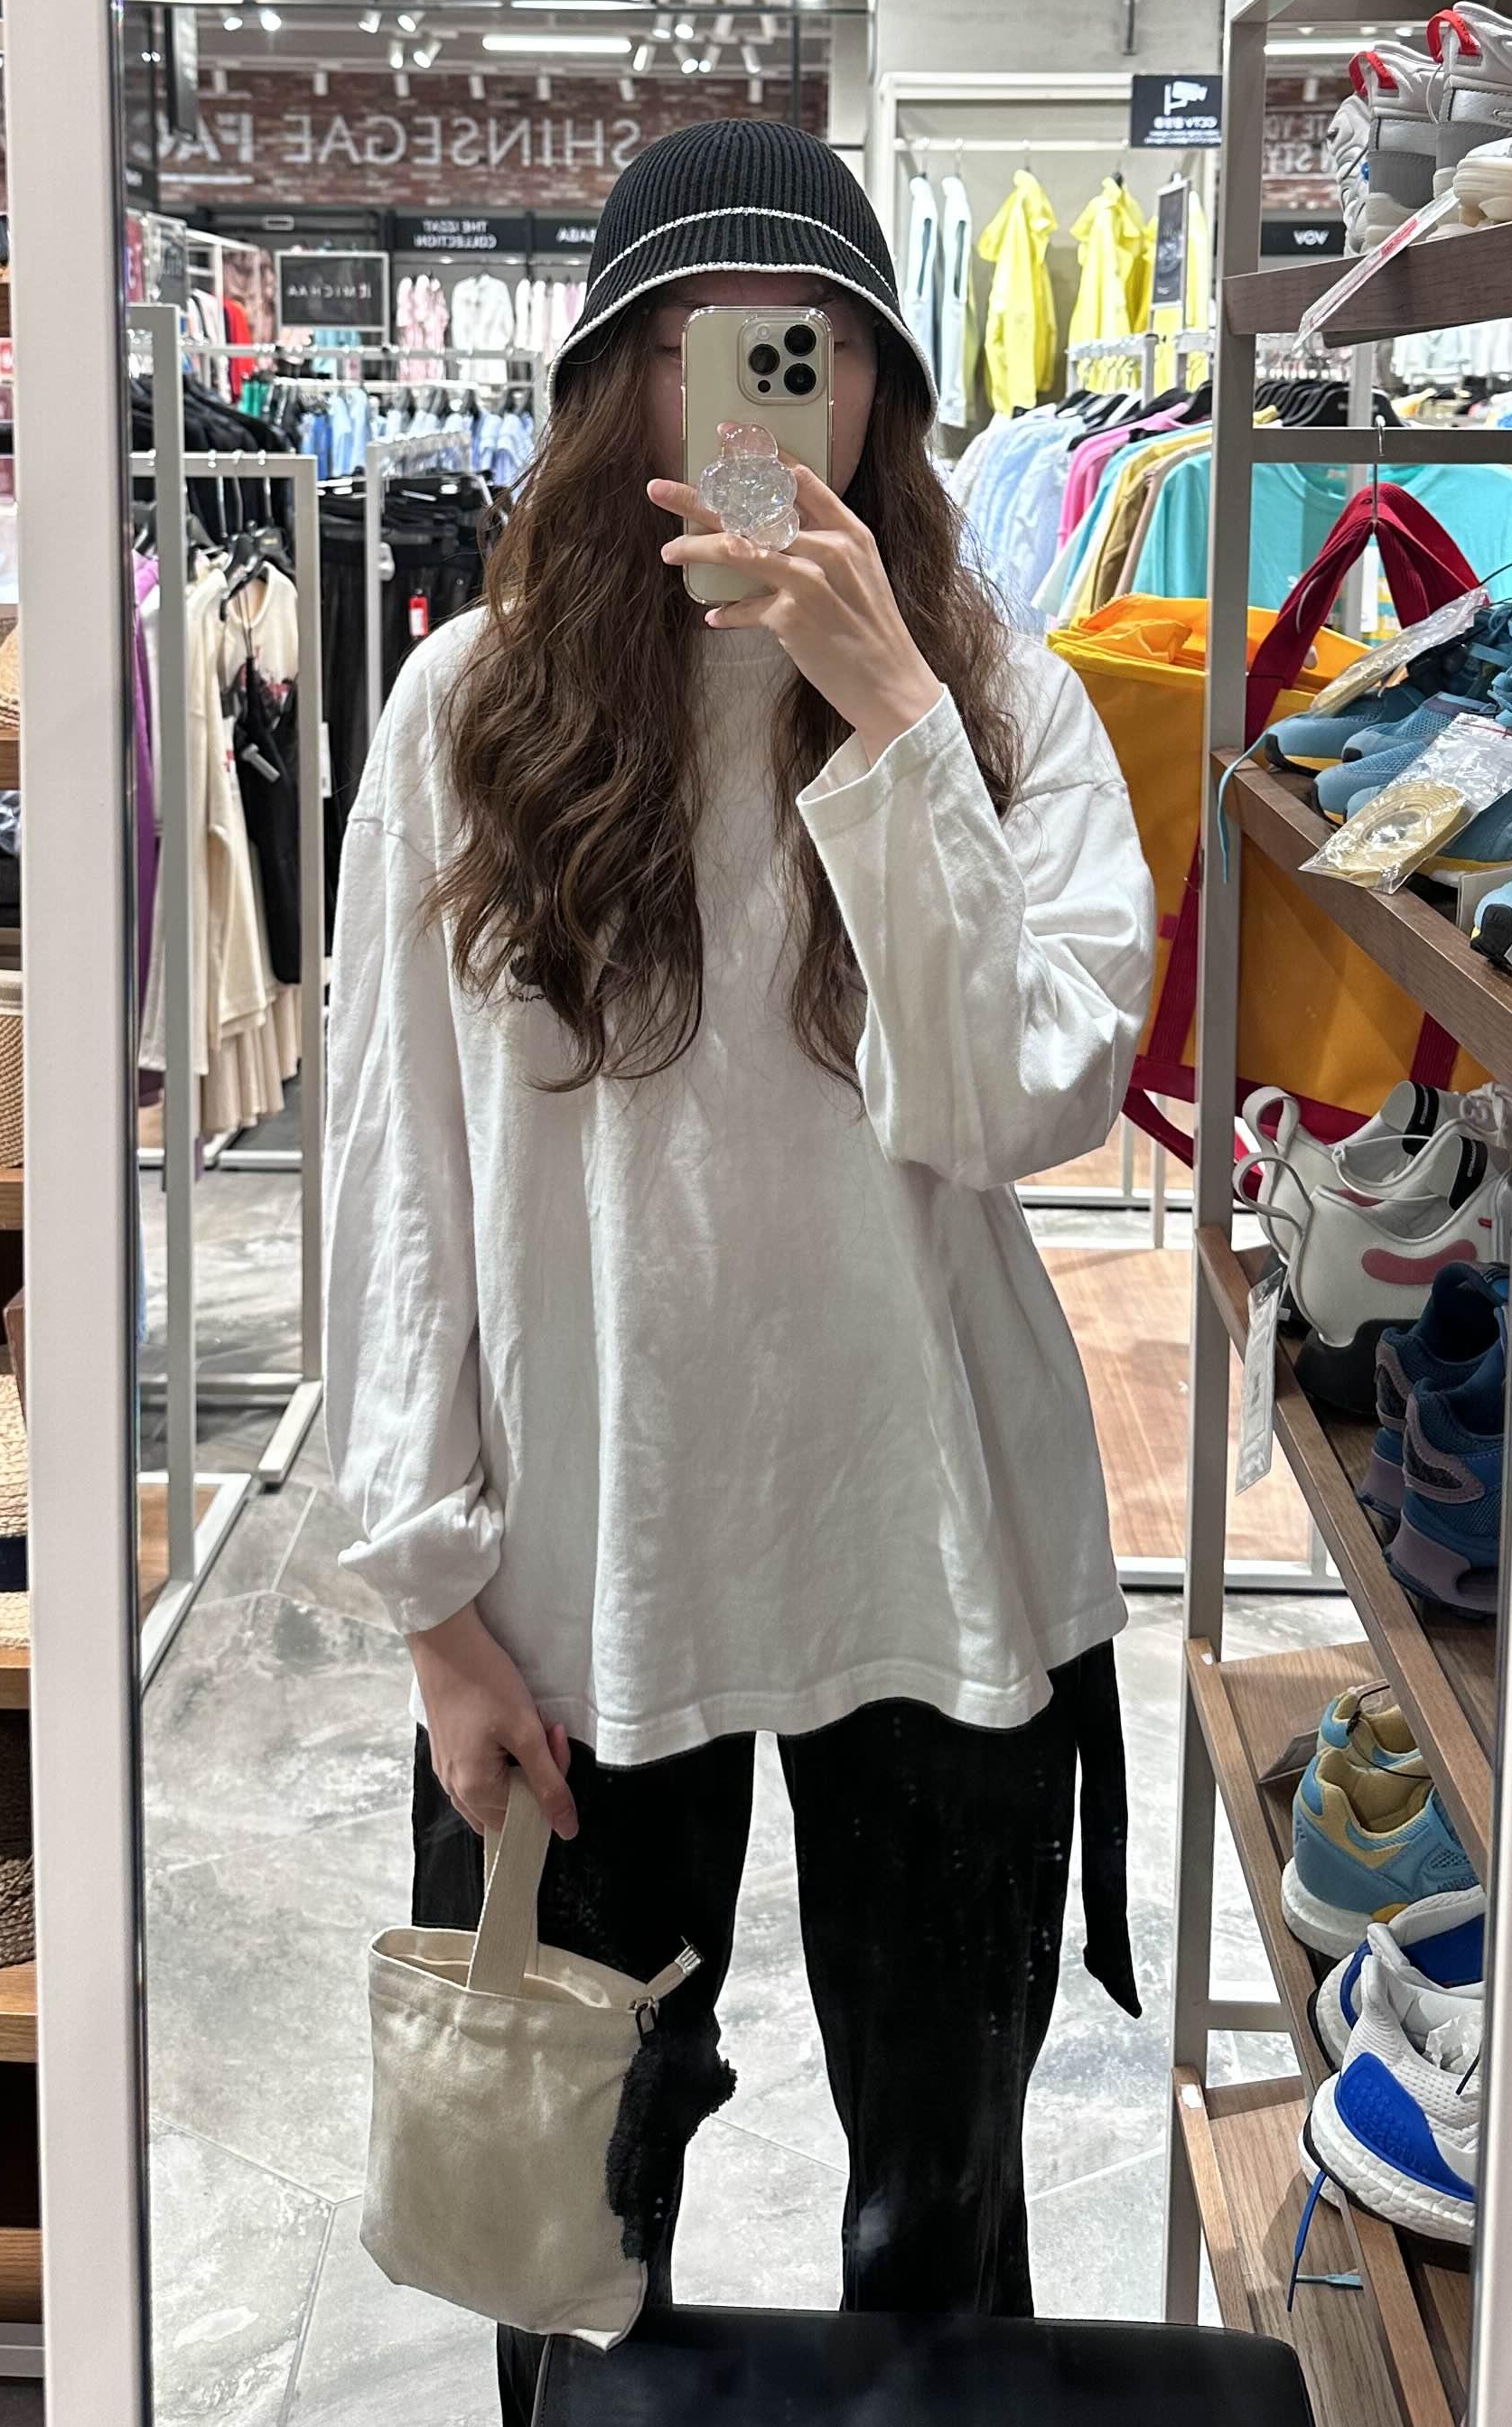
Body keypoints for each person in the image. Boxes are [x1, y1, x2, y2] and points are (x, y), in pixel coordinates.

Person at [325, 118, 1156, 2413]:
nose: (774, 399)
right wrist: (430, 1601)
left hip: (938, 1543)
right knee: (572, 2237)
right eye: (711, 347)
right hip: (586, 1585)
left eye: (821, 351)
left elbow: (1019, 1102)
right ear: (627, 383)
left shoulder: (998, 700)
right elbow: (398, 1174)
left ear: (883, 388)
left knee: (943, 2231)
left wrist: (898, 725)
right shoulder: (472, 715)